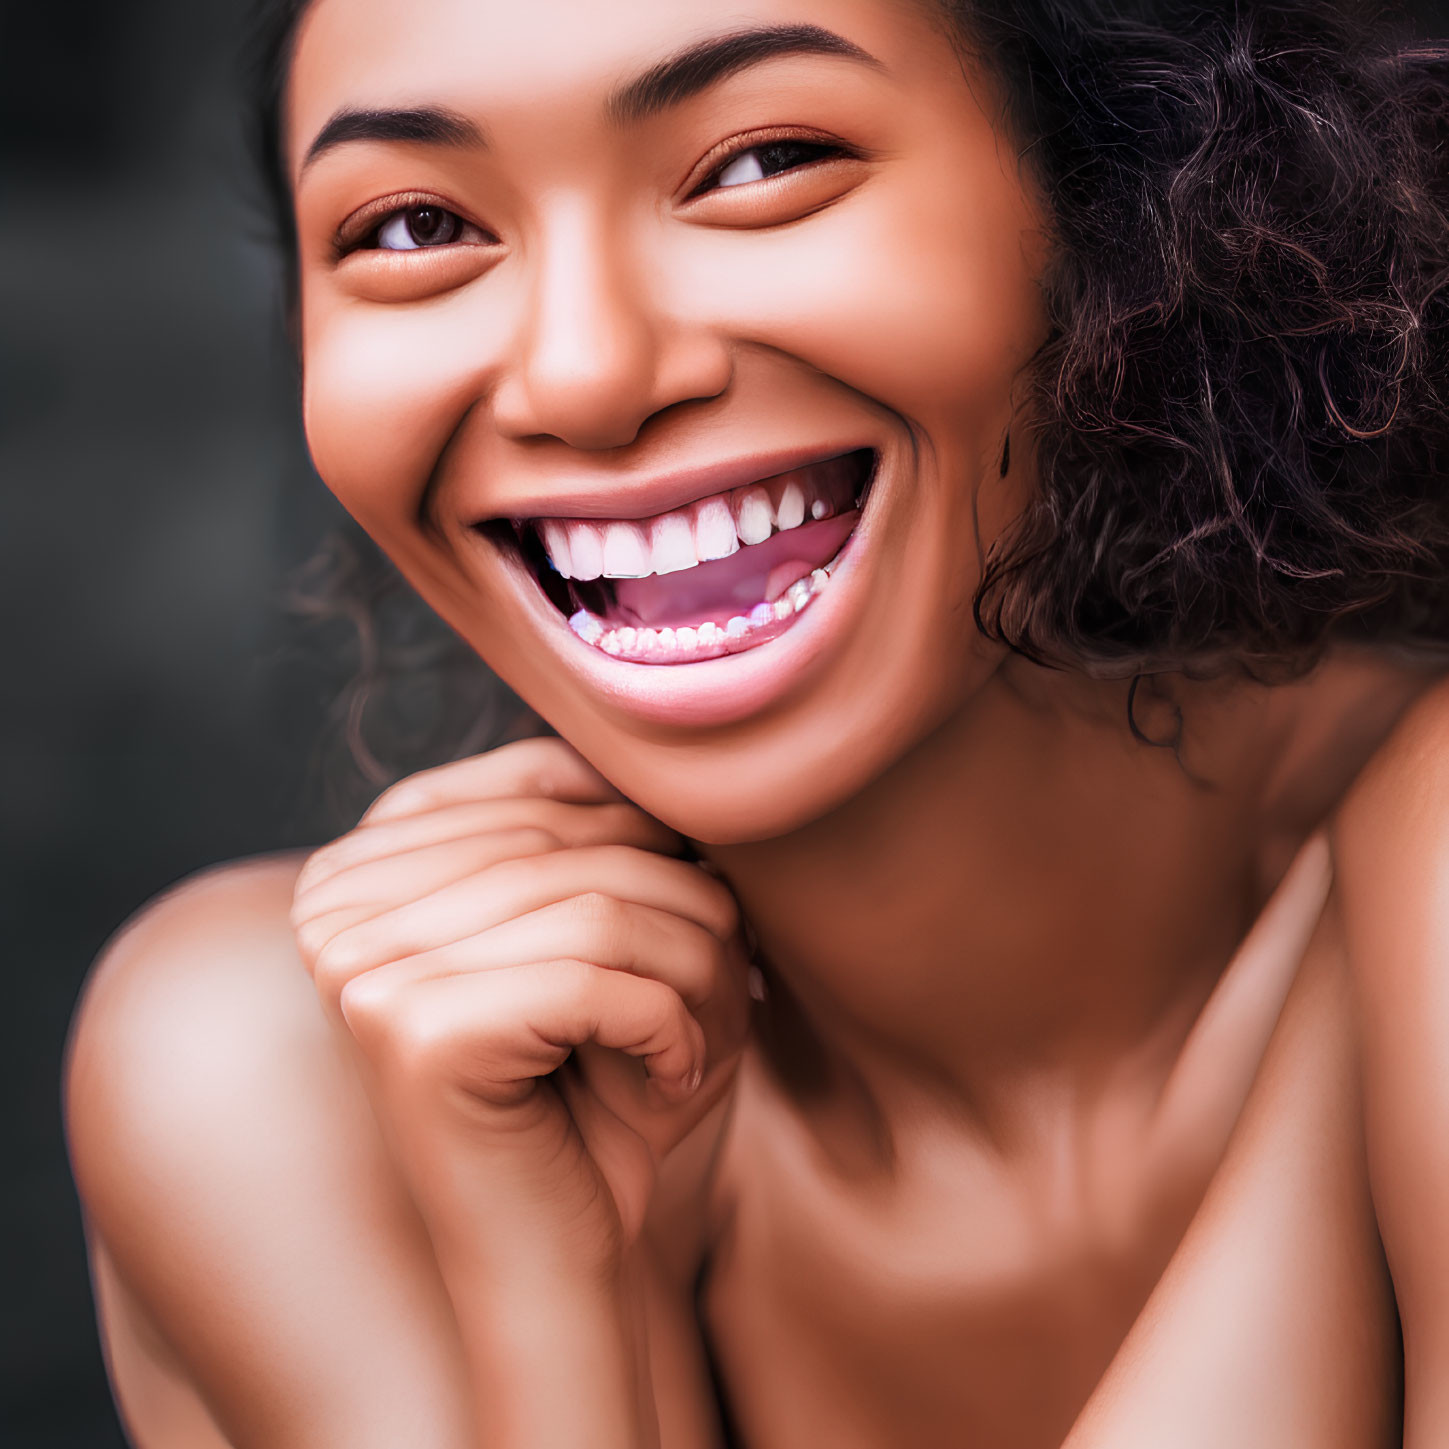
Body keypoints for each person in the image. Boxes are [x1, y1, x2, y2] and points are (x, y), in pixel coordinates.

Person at [63, 0, 1449, 1444]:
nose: (585, 375)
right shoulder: (272, 1082)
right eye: (414, 229)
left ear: (1118, 199)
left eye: (759, 160)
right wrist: (561, 1292)